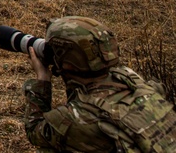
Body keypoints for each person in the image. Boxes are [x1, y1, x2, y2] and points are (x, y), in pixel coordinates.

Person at [23, 16, 176, 153]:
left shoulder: (76, 116)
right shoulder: (130, 78)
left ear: (69, 61)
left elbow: (34, 131)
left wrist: (42, 79)